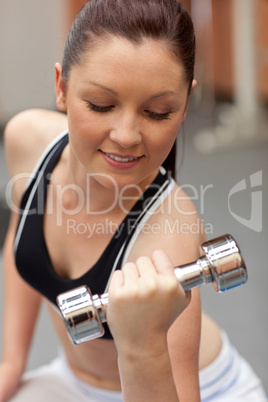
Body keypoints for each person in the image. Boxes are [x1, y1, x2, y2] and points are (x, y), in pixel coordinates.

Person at [0, 0, 266, 401]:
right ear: (61, 87)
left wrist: (144, 344)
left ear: (184, 106)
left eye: (157, 112)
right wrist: (11, 362)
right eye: (101, 105)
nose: (126, 135)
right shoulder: (27, 139)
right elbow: (21, 239)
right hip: (73, 382)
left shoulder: (171, 233)